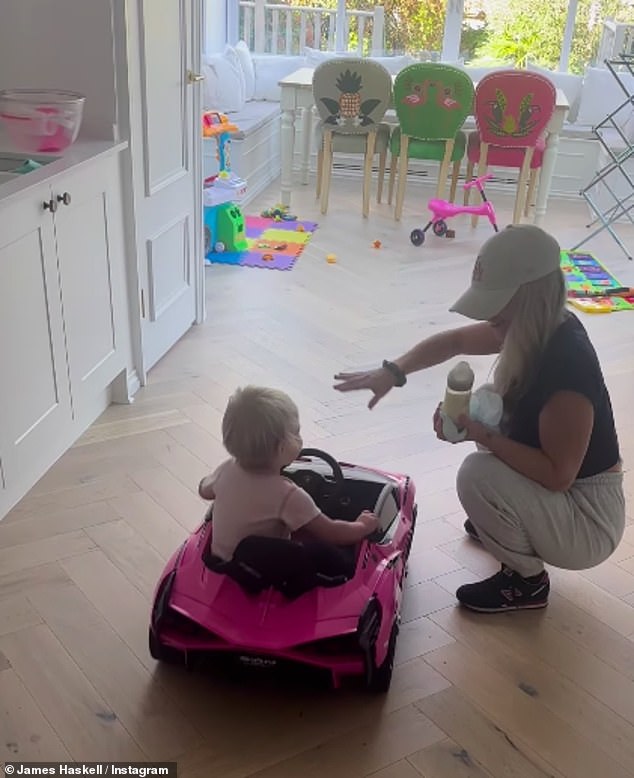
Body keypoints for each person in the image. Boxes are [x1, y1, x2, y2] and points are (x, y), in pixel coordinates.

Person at [333, 224, 625, 613]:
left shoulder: (567, 369)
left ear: (529, 299)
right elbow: (453, 342)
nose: (492, 324)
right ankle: (510, 525)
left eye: (497, 313)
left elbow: (559, 476)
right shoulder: (531, 328)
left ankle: (527, 582)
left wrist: (482, 434)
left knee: (476, 473)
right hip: (563, 494)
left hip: (588, 518)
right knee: (487, 405)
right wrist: (393, 372)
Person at [198, 385, 378, 576]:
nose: (300, 438)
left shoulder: (226, 468)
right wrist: (362, 525)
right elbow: (332, 532)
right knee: (327, 552)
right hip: (264, 573)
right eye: (297, 432)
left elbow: (204, 490)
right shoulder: (287, 494)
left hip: (222, 565)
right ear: (282, 448)